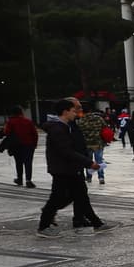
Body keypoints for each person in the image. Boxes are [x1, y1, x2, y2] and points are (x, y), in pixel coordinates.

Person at [37, 98, 110, 237]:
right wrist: (88, 162)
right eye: (73, 110)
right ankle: (43, 226)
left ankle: (96, 223)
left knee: (80, 195)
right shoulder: (58, 129)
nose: (75, 113)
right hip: (63, 169)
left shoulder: (66, 126)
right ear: (65, 112)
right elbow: (66, 151)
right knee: (58, 197)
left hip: (70, 168)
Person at [0, 105, 39, 187]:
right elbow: (35, 134)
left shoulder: (10, 122)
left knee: (18, 162)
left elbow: (7, 132)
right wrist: (34, 144)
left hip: (16, 145)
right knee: (28, 162)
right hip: (29, 145)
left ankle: (19, 179)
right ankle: (28, 180)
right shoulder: (28, 121)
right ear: (21, 112)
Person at [76, 103, 108, 186]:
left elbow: (78, 132)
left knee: (88, 161)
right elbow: (105, 127)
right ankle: (101, 178)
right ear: (91, 111)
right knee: (99, 161)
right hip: (98, 143)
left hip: (87, 144)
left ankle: (89, 177)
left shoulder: (81, 120)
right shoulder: (99, 118)